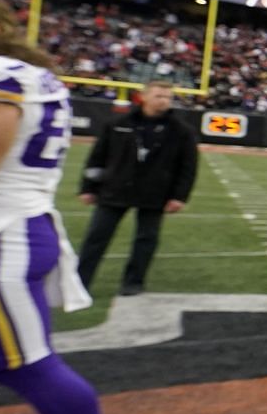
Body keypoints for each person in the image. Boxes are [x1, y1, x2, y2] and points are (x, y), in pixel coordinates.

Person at [0, 2, 136, 414]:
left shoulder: (2, 75)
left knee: (26, 362)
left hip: (3, 234)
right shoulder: (31, 75)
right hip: (19, 225)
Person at [75, 79, 197, 297]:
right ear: (144, 97)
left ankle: (133, 281)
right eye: (159, 96)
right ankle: (80, 281)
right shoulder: (117, 123)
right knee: (96, 237)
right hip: (114, 189)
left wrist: (179, 196)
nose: (164, 101)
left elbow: (187, 167)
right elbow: (97, 157)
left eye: (168, 97)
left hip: (155, 192)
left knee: (146, 239)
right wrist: (88, 187)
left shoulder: (181, 131)